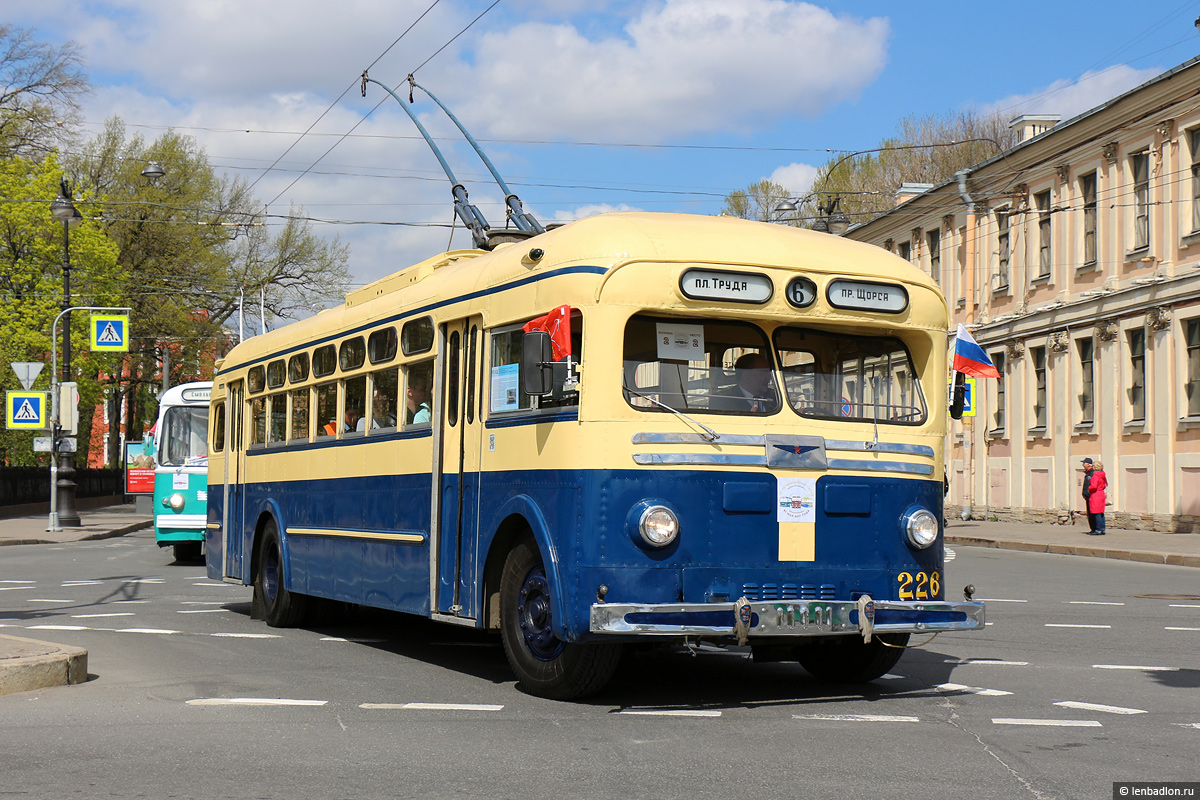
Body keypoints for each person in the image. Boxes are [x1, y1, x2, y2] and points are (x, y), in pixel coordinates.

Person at [1085, 459, 1108, 535]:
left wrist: (1089, 488)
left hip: (1095, 494)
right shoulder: (1102, 474)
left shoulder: (1095, 475)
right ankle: (1102, 528)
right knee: (1101, 513)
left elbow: (1094, 486)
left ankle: (1097, 529)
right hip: (1101, 493)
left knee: (1096, 513)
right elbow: (1105, 484)